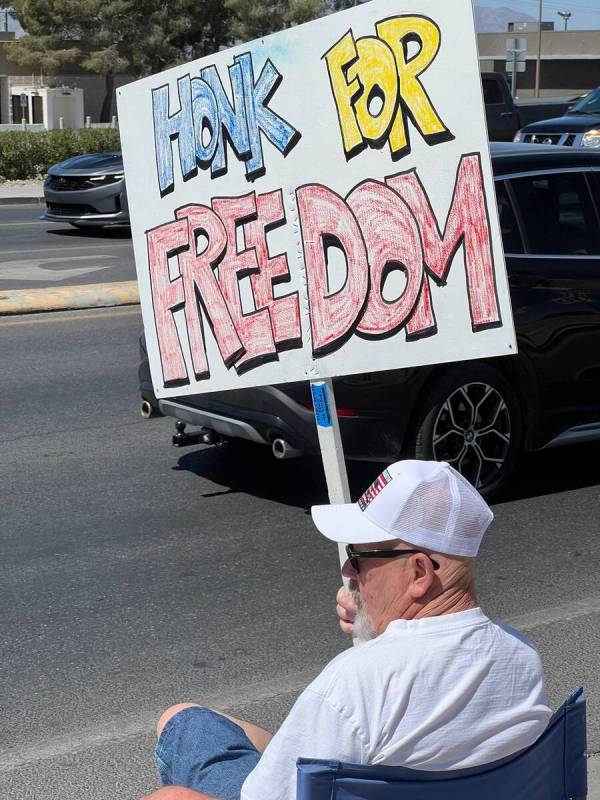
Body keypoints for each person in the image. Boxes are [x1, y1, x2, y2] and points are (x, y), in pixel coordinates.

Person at [141, 460, 551, 800]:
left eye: (359, 557)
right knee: (204, 723)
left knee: (181, 731)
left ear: (420, 571)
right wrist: (375, 631)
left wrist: (371, 651)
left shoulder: (354, 681)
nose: (347, 570)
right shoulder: (521, 656)